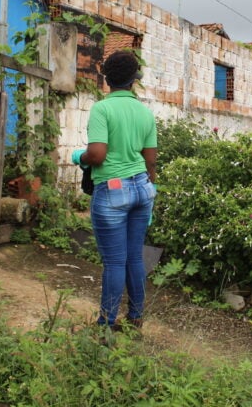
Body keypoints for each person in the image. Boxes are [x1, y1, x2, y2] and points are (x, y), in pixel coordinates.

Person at [72, 50, 158, 331]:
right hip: (142, 190)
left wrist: (79, 158)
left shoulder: (102, 109)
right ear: (135, 80)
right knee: (134, 257)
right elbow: (150, 161)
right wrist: (150, 197)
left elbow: (96, 154)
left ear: (106, 79)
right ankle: (135, 318)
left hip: (113, 191)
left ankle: (106, 324)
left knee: (114, 262)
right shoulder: (145, 113)